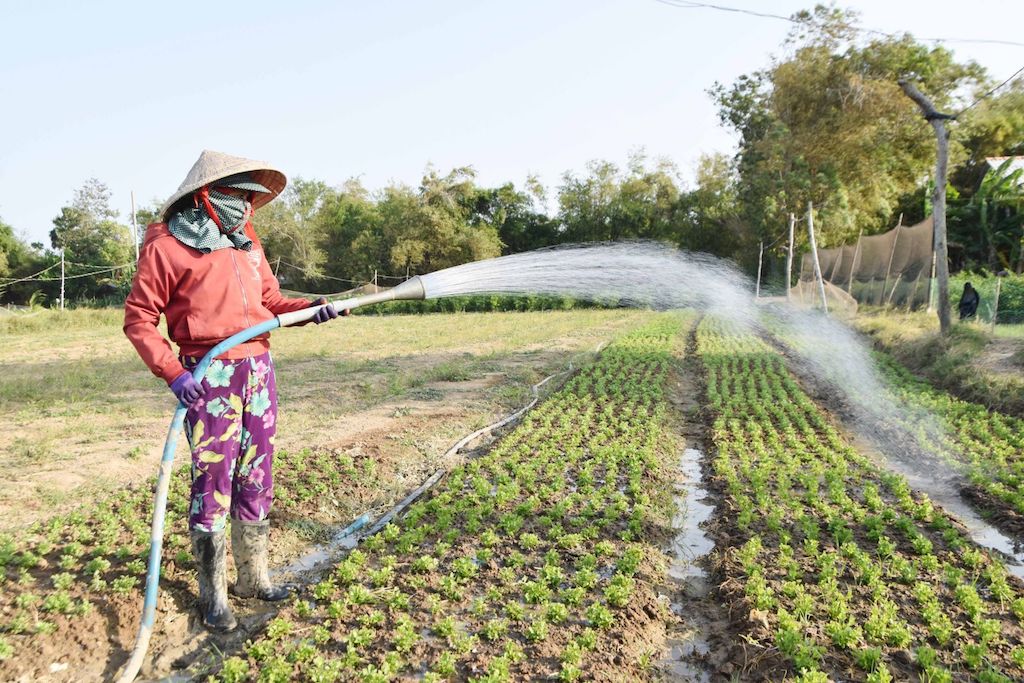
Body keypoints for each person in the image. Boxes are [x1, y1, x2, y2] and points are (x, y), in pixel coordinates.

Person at [124, 150, 343, 632]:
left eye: (250, 199)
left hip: (258, 371)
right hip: (209, 376)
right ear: (208, 196)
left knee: (256, 472)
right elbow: (139, 319)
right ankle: (214, 594)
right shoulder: (166, 246)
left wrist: (314, 307)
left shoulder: (246, 244)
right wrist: (173, 372)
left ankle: (253, 577)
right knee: (214, 478)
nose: (246, 207)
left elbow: (271, 302)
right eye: (238, 196)